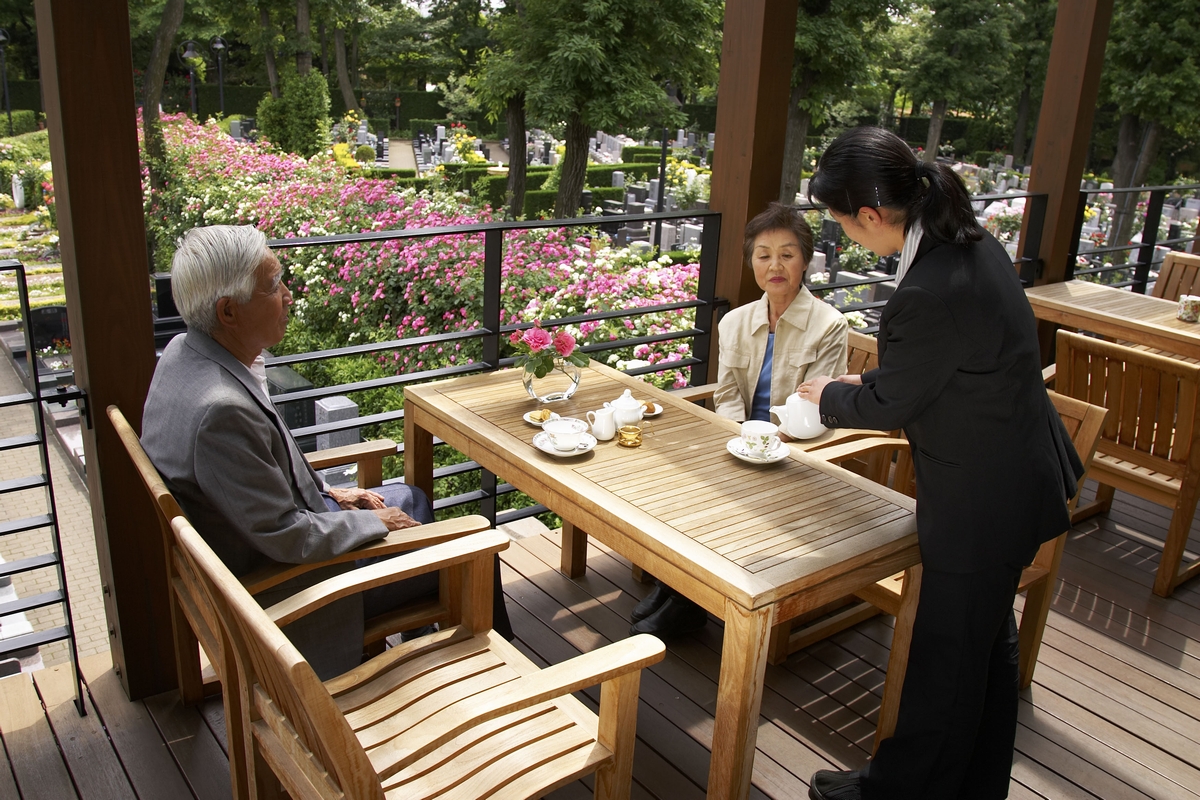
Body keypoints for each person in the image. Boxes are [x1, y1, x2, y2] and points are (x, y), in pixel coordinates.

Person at [796, 128, 1082, 800]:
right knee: (983, 650)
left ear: (869, 215)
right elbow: (942, 373)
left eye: (842, 224)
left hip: (983, 496)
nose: (847, 238)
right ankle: (976, 783)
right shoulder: (968, 240)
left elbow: (895, 395)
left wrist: (829, 394)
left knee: (946, 659)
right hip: (1011, 471)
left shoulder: (931, 288)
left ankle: (896, 791)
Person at [142, 225, 510, 681]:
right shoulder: (220, 412)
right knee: (475, 542)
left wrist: (335, 496)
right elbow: (285, 536)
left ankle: (430, 636)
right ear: (229, 311)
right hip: (297, 591)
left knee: (411, 499)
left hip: (261, 553)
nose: (289, 295)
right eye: (274, 285)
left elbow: (257, 481)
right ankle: (494, 668)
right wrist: (372, 522)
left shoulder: (185, 353)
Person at [629, 203, 849, 639]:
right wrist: (739, 438)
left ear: (805, 260)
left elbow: (819, 410)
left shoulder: (829, 325)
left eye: (787, 254)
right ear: (752, 262)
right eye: (764, 254)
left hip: (798, 451)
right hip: (741, 442)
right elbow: (728, 395)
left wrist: (767, 445)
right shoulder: (735, 321)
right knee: (675, 475)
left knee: (719, 495)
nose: (775, 265)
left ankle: (686, 601)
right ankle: (678, 588)